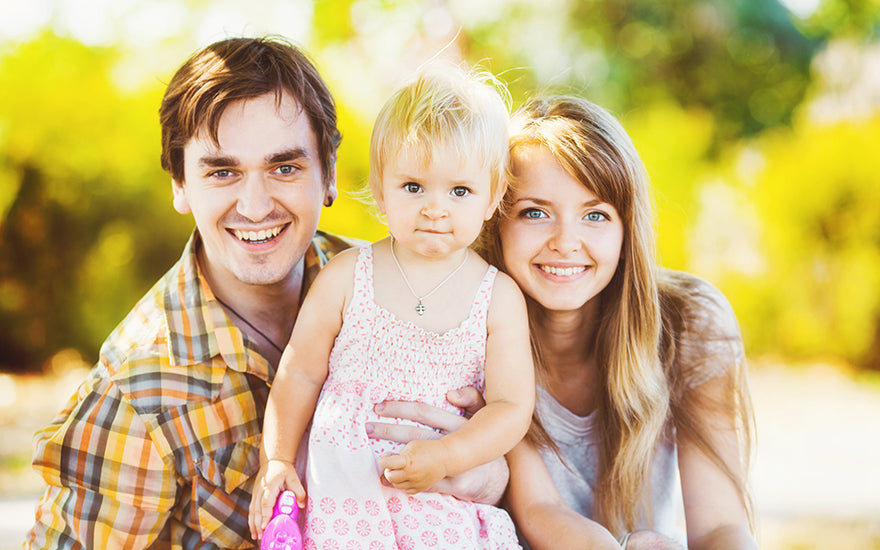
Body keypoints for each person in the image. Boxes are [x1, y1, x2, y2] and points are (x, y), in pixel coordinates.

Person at [24, 37, 507, 549]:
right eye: (223, 171)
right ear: (180, 184)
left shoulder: (399, 283)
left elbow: (518, 452)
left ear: (330, 174)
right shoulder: (140, 392)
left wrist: (487, 477)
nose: (255, 207)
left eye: (284, 167)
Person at [248, 65, 534, 549]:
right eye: (413, 187)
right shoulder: (347, 275)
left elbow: (510, 406)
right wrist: (276, 458)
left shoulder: (497, 297)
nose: (435, 208)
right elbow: (299, 372)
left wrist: (448, 456)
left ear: (492, 198)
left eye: (459, 191)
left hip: (438, 511)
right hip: (345, 508)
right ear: (380, 190)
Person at [471, 95, 758, 549]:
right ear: (495, 222)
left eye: (595, 215)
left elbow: (721, 527)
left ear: (627, 231)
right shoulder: (466, 331)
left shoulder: (688, 323)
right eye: (535, 212)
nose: (566, 242)